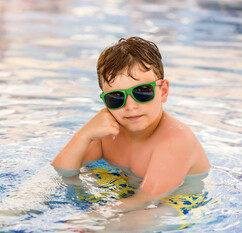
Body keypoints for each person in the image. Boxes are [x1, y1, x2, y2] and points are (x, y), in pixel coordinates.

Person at [51, 36, 211, 213]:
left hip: (180, 199)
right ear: (105, 100)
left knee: (147, 217)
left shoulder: (176, 139)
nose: (130, 106)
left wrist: (90, 220)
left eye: (142, 92)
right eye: (116, 97)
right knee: (46, 182)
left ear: (163, 91)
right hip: (126, 187)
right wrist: (84, 134)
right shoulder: (108, 131)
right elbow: (62, 172)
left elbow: (144, 200)